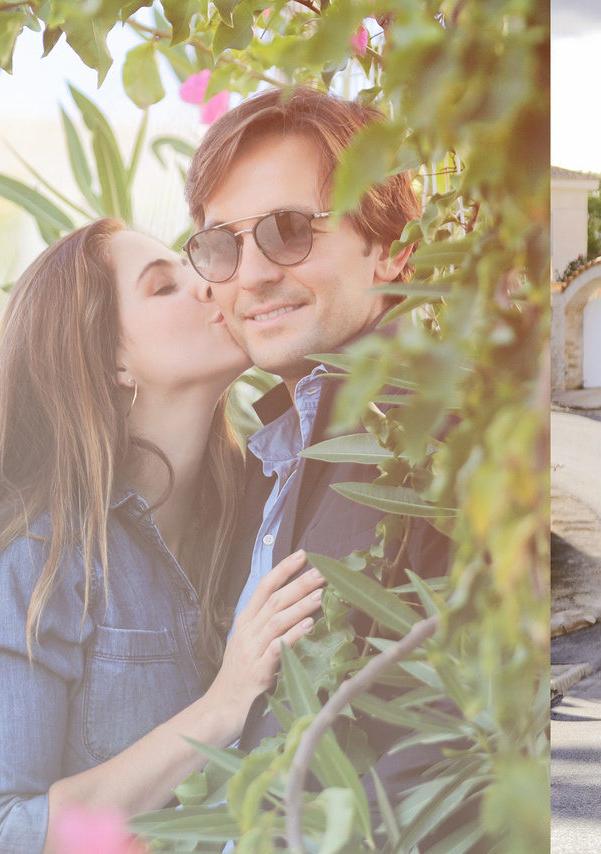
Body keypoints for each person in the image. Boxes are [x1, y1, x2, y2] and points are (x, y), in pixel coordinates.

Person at [0, 220, 329, 851]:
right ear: (111, 360)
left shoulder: (268, 503)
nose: (208, 286)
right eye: (162, 287)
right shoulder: (35, 557)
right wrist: (221, 706)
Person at [181, 87, 456, 803]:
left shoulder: (449, 442)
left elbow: (454, 753)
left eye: (290, 230)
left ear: (394, 249)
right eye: (221, 246)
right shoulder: (275, 459)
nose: (252, 274)